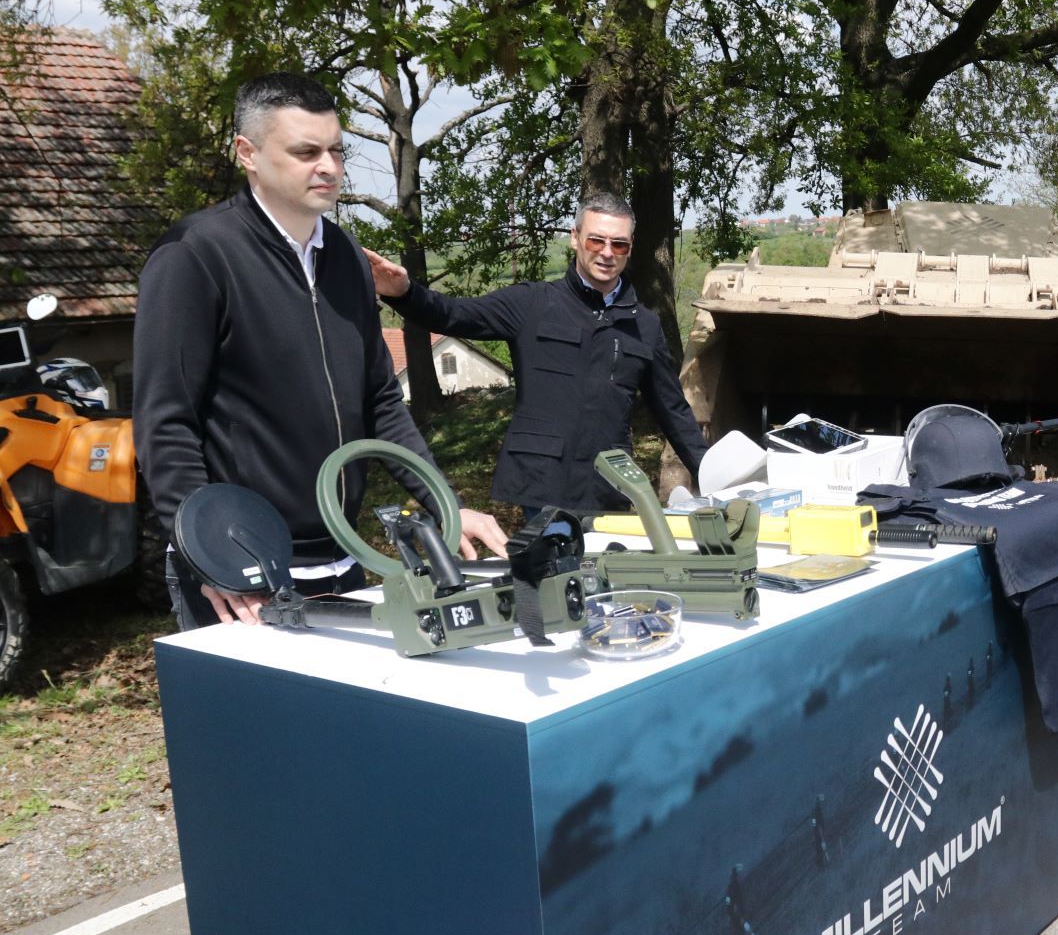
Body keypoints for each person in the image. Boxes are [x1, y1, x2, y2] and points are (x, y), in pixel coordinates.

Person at [134, 73, 507, 632]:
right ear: (248, 153)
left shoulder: (347, 258)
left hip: (344, 557)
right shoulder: (195, 256)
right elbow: (165, 424)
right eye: (306, 152)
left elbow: (381, 400)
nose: (329, 167)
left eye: (336, 150)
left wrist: (444, 506)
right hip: (244, 575)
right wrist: (214, 557)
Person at [367, 194, 708, 515]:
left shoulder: (644, 325)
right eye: (596, 241)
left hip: (607, 487)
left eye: (618, 244)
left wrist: (713, 475)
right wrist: (404, 293)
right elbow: (454, 314)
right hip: (542, 485)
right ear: (575, 238)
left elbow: (672, 410)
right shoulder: (532, 303)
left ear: (629, 248)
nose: (607, 253)